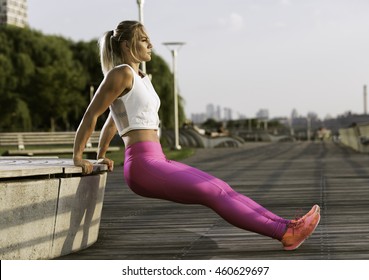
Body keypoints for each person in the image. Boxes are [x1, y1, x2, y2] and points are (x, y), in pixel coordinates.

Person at [73, 20, 320, 251]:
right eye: (144, 40)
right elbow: (91, 114)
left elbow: (112, 121)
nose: (151, 45)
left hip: (156, 160)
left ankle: (289, 226)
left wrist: (100, 156)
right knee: (212, 192)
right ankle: (284, 233)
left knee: (222, 188)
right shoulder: (121, 73)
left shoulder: (141, 78)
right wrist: (79, 157)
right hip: (142, 165)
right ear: (126, 45)